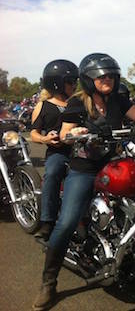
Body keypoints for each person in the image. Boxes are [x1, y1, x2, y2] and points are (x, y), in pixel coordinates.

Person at [33, 53, 135, 311]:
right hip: (84, 168)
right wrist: (79, 132)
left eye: (111, 75)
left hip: (113, 162)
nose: (107, 79)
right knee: (67, 222)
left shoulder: (118, 101)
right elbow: (64, 132)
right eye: (101, 75)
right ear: (88, 79)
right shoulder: (77, 103)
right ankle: (48, 282)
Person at [31, 60, 78, 241]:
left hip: (81, 151)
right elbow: (33, 134)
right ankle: (48, 221)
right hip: (58, 153)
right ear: (57, 83)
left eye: (75, 81)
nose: (74, 85)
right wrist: (45, 139)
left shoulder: (79, 102)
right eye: (70, 81)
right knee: (52, 173)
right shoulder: (43, 105)